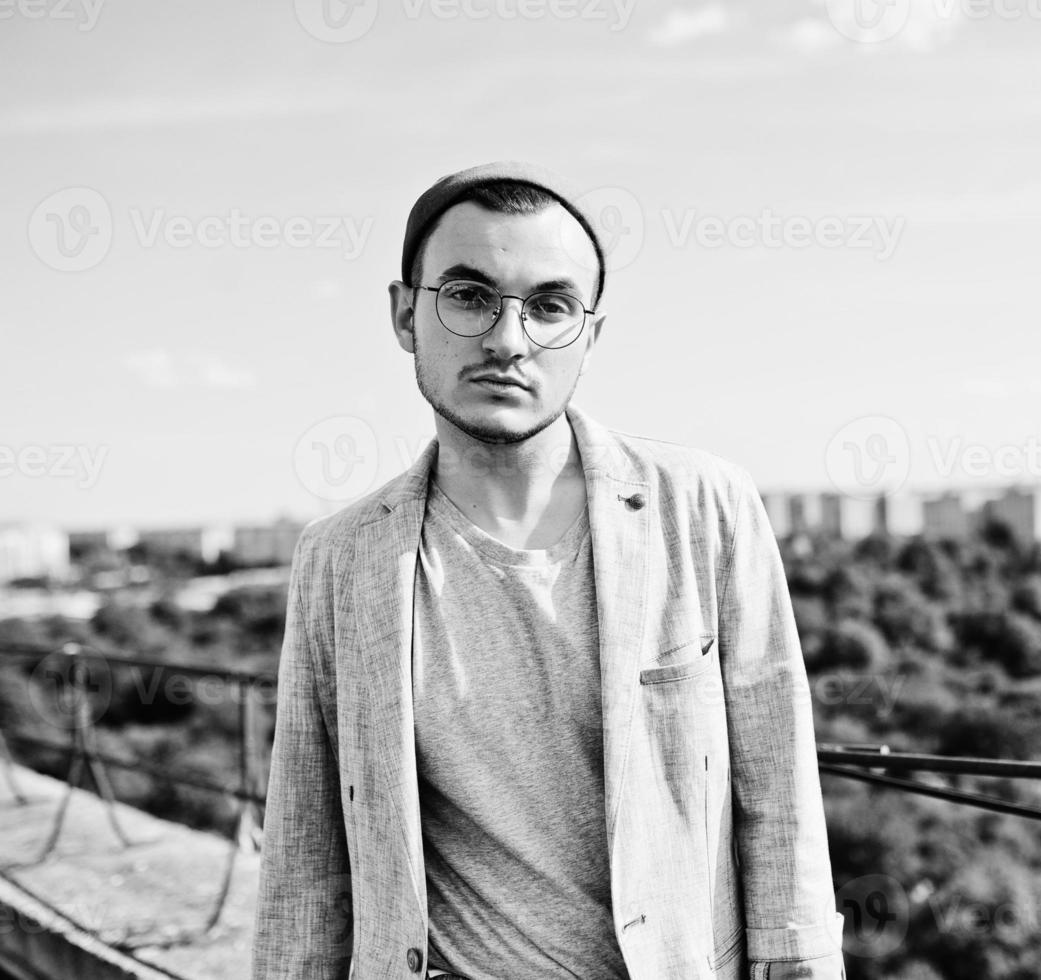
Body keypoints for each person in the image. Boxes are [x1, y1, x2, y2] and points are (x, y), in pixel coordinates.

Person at [250, 160, 846, 980]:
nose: (507, 339)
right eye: (466, 296)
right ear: (402, 315)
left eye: (550, 306)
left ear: (590, 336)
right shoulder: (340, 559)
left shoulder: (704, 508)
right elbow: (305, 855)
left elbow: (779, 795)